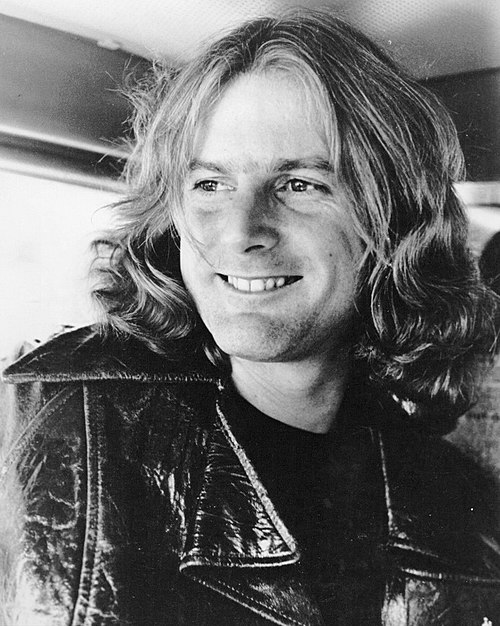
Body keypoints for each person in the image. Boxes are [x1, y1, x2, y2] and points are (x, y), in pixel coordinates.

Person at [1, 9, 500, 625]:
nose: (241, 232)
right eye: (209, 186)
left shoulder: (457, 503)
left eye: (299, 184)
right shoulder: (49, 427)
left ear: (393, 223)